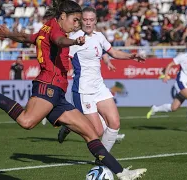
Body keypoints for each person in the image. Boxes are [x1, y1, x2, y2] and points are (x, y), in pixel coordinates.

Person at [0, 1, 146, 179]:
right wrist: (74, 42)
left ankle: (122, 174)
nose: (77, 25)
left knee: (91, 133)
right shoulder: (57, 31)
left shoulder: (46, 28)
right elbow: (59, 40)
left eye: (79, 22)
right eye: (75, 20)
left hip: (58, 94)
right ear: (63, 16)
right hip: (47, 85)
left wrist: (9, 35)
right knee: (26, 122)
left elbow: (27, 38)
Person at [57, 7, 145, 165]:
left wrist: (131, 56)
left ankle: (102, 160)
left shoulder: (99, 36)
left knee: (115, 123)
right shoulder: (76, 38)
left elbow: (114, 53)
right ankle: (68, 126)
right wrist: (67, 70)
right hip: (84, 90)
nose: (88, 22)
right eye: (85, 19)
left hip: (99, 87)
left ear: (96, 21)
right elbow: (65, 57)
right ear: (80, 21)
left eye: (91, 20)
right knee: (96, 131)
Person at [146, 41, 187, 130]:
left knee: (174, 107)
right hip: (180, 82)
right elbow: (170, 65)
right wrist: (165, 76)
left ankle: (155, 109)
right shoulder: (183, 56)